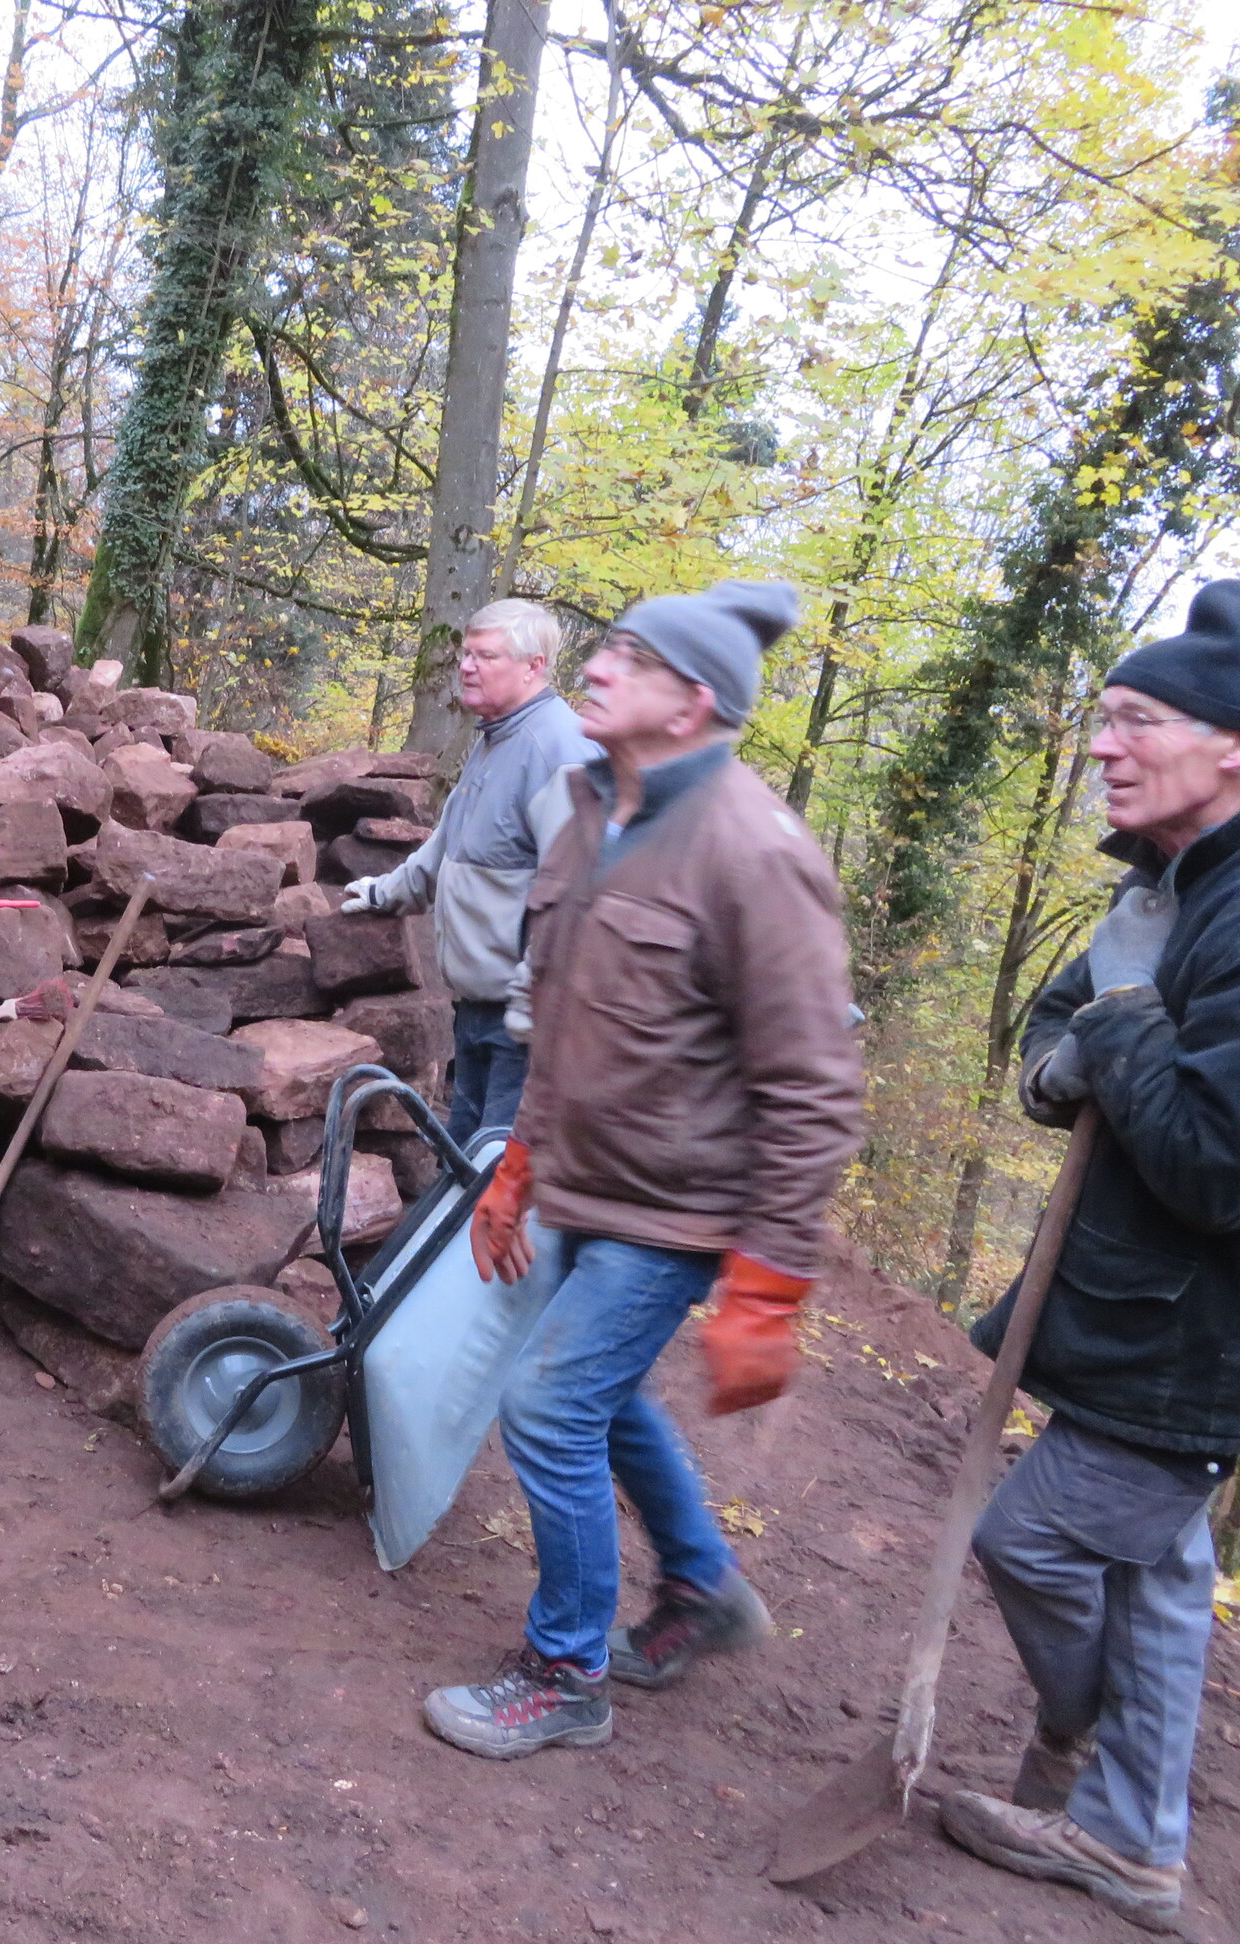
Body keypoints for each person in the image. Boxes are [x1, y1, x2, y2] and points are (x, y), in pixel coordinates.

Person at [942, 581, 1240, 1934]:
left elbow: (1219, 1170)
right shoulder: (1184, 872)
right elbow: (1065, 1018)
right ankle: (1132, 1844)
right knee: (1156, 1575)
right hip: (1155, 1309)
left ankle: (1081, 1737)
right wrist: (1069, 1055)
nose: (1103, 744)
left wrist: (1124, 1019)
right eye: (1105, 715)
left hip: (1207, 1338)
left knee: (1033, 1541)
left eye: (1138, 720)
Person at [420, 580, 864, 1759]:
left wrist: (768, 1288)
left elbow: (815, 1087)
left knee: (549, 1406)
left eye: (631, 657)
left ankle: (565, 1672)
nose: (599, 668)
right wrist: (519, 1164)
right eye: (607, 649)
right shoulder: (589, 809)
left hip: (677, 1204)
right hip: (587, 1173)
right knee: (599, 1396)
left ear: (695, 701)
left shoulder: (755, 851)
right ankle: (703, 1585)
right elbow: (565, 1015)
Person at [341, 598, 596, 1142]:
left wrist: (534, 1008)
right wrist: (384, 893)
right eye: (466, 653)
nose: (466, 666)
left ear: (533, 666)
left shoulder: (558, 750)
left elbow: (577, 894)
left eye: (486, 656)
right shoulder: (494, 739)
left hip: (522, 1025)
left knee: (495, 1173)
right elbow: (447, 849)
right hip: (478, 1011)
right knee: (463, 1162)